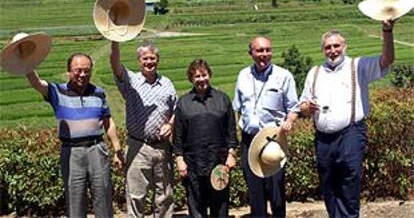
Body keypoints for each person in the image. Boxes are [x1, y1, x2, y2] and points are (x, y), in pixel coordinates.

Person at [299, 20, 395, 218]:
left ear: (344, 47)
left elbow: (386, 60)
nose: (333, 50)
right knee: (328, 185)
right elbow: (303, 107)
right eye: (328, 47)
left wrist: (387, 31)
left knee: (349, 184)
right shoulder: (314, 72)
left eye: (336, 46)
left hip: (350, 134)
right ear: (323, 50)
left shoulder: (357, 65)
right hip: (323, 138)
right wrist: (308, 108)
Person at [26, 52, 124, 218]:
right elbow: (36, 82)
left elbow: (108, 122)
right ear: (68, 72)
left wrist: (117, 149)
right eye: (78, 70)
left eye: (87, 70)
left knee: (104, 196)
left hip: (97, 149)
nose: (83, 75)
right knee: (75, 198)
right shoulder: (57, 91)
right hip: (71, 152)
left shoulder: (99, 92)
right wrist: (26, 61)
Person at [233, 36, 299, 218]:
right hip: (249, 140)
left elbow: (294, 108)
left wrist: (290, 121)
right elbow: (237, 108)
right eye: (259, 50)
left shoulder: (283, 76)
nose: (264, 54)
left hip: (273, 141)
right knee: (255, 191)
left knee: (276, 191)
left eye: (267, 50)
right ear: (251, 53)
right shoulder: (243, 75)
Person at [110, 41, 177, 218]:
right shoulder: (131, 81)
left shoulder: (167, 83)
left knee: (164, 196)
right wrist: (114, 39)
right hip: (138, 147)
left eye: (152, 58)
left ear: (158, 60)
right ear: (139, 61)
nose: (149, 62)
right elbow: (115, 64)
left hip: (162, 147)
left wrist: (170, 124)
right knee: (136, 195)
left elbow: (176, 110)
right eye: (145, 58)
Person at [173, 59, 238, 218]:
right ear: (191, 78)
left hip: (219, 163)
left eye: (204, 75)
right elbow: (178, 136)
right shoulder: (183, 103)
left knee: (220, 206)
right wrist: (179, 160)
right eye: (197, 76)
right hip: (193, 163)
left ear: (209, 75)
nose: (201, 79)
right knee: (196, 207)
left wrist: (231, 155)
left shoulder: (222, 99)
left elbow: (231, 131)